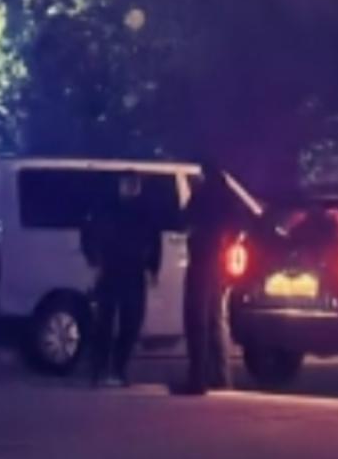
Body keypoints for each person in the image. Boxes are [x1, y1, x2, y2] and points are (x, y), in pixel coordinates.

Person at [173, 162, 248, 394]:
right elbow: (240, 225)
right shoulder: (228, 198)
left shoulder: (203, 195)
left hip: (202, 259)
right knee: (216, 319)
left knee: (196, 318)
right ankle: (221, 376)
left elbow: (184, 219)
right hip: (219, 264)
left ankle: (198, 378)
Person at [81, 173, 161, 387]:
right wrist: (93, 258)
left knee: (131, 322)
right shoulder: (107, 207)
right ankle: (99, 369)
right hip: (111, 268)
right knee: (104, 321)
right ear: (120, 186)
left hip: (134, 271)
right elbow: (87, 231)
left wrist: (153, 268)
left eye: (134, 185)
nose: (131, 188)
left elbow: (155, 240)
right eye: (127, 184)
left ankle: (118, 368)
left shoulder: (145, 211)